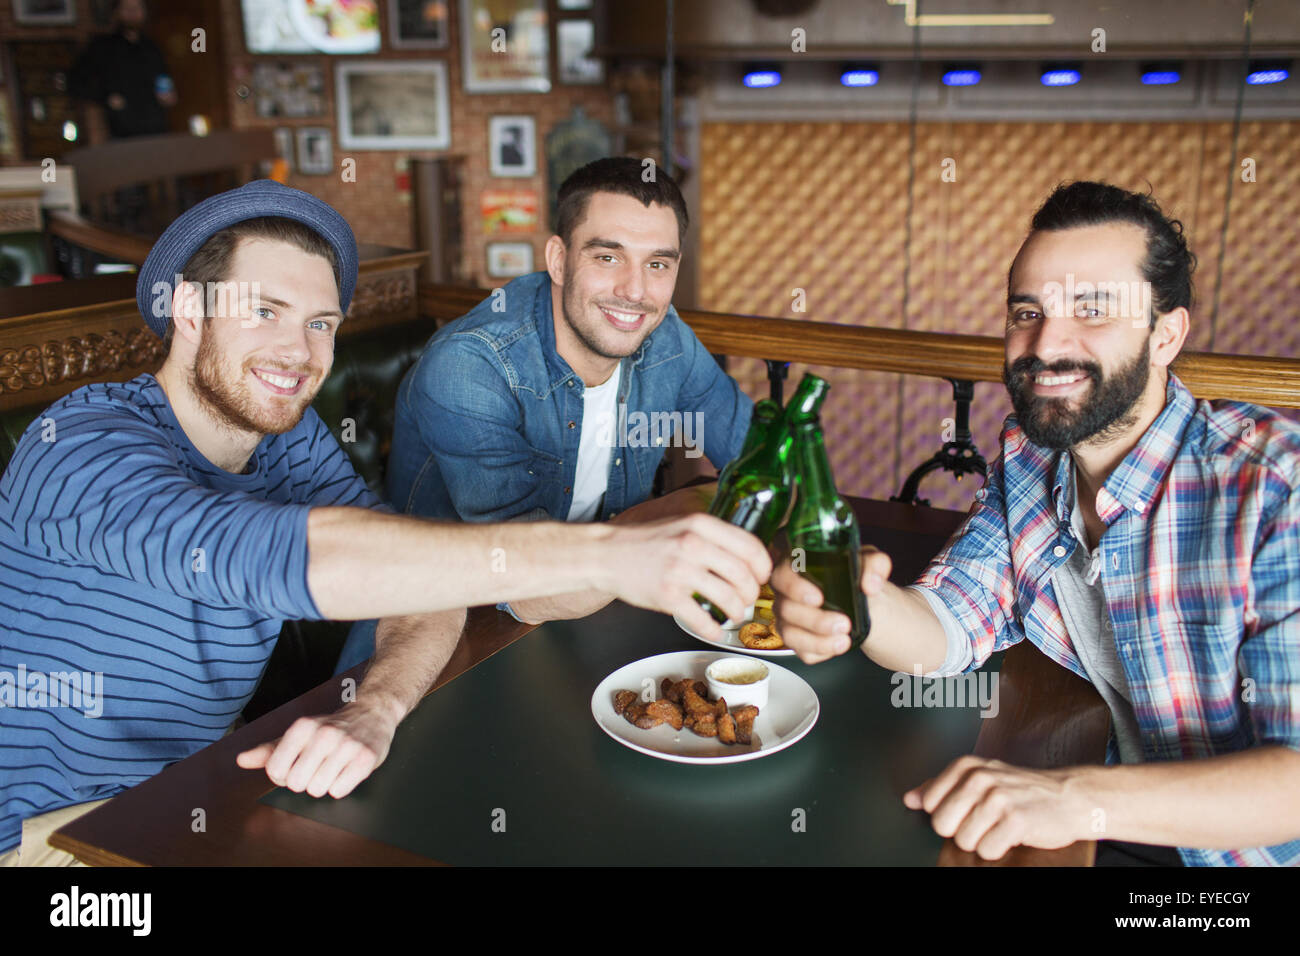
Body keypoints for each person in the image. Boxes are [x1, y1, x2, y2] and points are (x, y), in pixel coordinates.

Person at [0, 180, 769, 866]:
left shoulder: (284, 441)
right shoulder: (82, 445)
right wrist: (612, 552)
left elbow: (418, 579)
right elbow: (291, 558)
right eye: (263, 311)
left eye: (320, 323)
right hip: (46, 835)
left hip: (198, 793)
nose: (298, 352)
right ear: (187, 311)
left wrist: (376, 709)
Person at [772, 181, 1300, 867]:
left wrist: (1072, 799)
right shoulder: (1028, 457)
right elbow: (949, 625)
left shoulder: (1274, 488)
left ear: (1165, 334)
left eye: (1092, 309)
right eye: (1029, 310)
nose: (1047, 343)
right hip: (1102, 820)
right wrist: (858, 603)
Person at [336, 157, 754, 670]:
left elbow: (756, 458)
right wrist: (672, 517)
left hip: (595, 619)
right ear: (558, 260)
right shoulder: (471, 365)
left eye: (658, 264)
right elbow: (522, 585)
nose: (636, 290)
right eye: (607, 258)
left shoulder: (666, 337)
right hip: (441, 645)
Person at [69, 0, 176, 140]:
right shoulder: (102, 47)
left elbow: (163, 80)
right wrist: (106, 98)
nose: (133, 13)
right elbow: (76, 82)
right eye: (127, 8)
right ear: (117, 12)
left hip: (156, 129)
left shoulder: (153, 48)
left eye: (137, 8)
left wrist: (169, 95)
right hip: (120, 132)